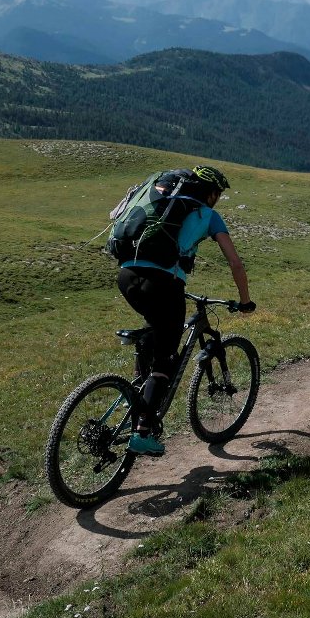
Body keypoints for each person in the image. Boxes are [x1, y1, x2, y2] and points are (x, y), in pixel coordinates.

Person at [116, 165, 254, 455]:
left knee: (157, 330)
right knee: (166, 358)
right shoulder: (209, 215)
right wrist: (244, 301)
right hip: (164, 284)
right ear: (212, 193)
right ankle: (142, 432)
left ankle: (138, 395)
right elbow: (235, 263)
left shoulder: (160, 201)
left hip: (126, 276)